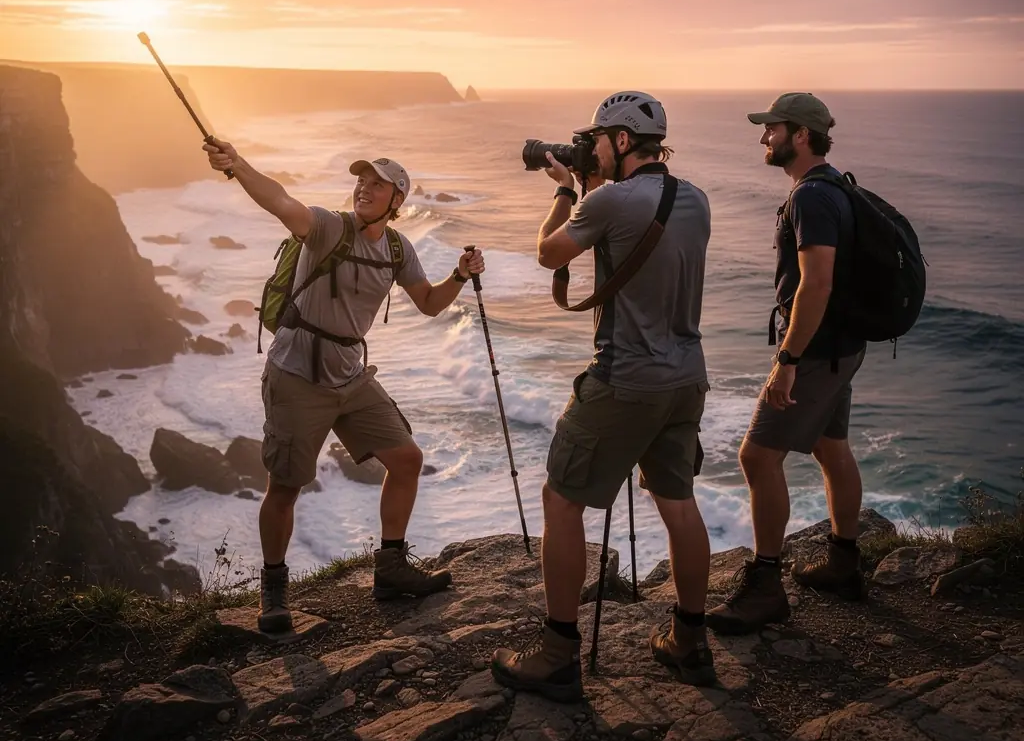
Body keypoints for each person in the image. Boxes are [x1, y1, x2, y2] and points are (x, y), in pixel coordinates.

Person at [203, 139, 485, 634]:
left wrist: (459, 275)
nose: (364, 188)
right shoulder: (329, 227)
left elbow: (429, 303)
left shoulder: (398, 248)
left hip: (350, 374)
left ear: (398, 200)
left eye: (377, 184)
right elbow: (281, 201)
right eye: (361, 180)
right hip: (297, 373)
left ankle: (390, 568)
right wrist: (239, 165)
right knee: (286, 486)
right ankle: (273, 590)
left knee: (407, 459)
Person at [491, 92, 715, 702]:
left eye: (597, 139)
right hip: (686, 378)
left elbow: (549, 252)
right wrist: (591, 183)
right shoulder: (695, 198)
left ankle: (558, 655)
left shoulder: (609, 199)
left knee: (561, 502)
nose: (591, 147)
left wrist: (567, 190)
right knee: (677, 499)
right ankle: (690, 642)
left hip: (625, 380)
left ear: (619, 141)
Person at [706, 93, 867, 636]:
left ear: (800, 134)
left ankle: (767, 586)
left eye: (771, 130)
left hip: (817, 350)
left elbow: (816, 282)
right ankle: (845, 562)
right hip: (844, 345)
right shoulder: (835, 185)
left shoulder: (812, 199)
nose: (763, 138)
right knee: (830, 446)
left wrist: (788, 360)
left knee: (756, 457)